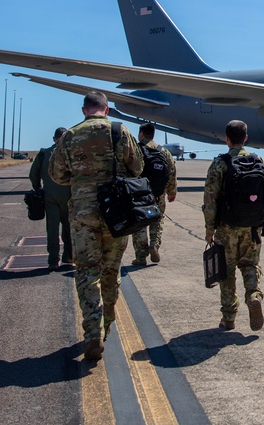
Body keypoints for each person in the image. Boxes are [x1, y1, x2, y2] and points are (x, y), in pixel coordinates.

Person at [49, 91, 143, 361]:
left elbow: (57, 174)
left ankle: (93, 331)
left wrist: (81, 183)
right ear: (107, 109)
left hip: (83, 212)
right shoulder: (119, 131)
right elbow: (137, 167)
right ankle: (108, 324)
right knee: (111, 270)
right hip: (116, 212)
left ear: (83, 111)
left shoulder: (70, 135)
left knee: (88, 272)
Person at [203, 120, 264, 331]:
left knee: (226, 273)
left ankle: (229, 318)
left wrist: (210, 229)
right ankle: (253, 296)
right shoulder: (260, 162)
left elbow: (210, 199)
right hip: (253, 227)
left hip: (227, 228)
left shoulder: (219, 164)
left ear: (226, 139)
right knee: (250, 266)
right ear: (246, 138)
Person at [131, 123, 177, 266]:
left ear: (141, 134)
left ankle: (140, 257)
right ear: (153, 134)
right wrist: (171, 191)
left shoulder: (136, 150)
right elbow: (171, 172)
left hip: (139, 195)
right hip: (158, 195)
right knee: (157, 220)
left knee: (139, 224)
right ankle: (154, 245)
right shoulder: (163, 151)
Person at [29, 127, 73, 270]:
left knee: (52, 229)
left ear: (54, 138)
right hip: (69, 196)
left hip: (49, 196)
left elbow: (33, 174)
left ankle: (53, 260)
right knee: (68, 227)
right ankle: (68, 255)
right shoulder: (72, 153)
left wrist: (37, 188)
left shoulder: (44, 153)